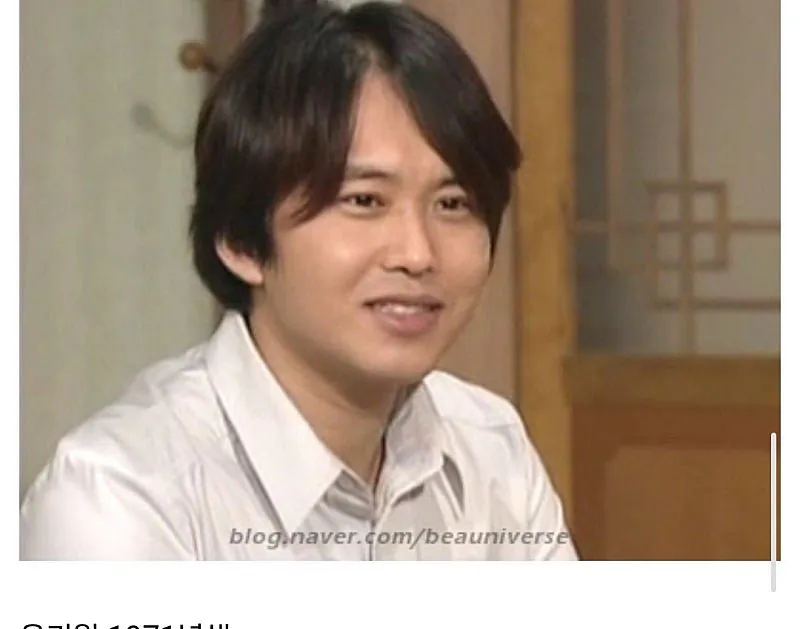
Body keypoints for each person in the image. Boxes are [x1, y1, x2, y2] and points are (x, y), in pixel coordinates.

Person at [20, 0, 578, 560]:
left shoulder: (490, 449)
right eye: (364, 201)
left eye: (453, 204)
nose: (418, 254)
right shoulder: (120, 498)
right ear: (241, 240)